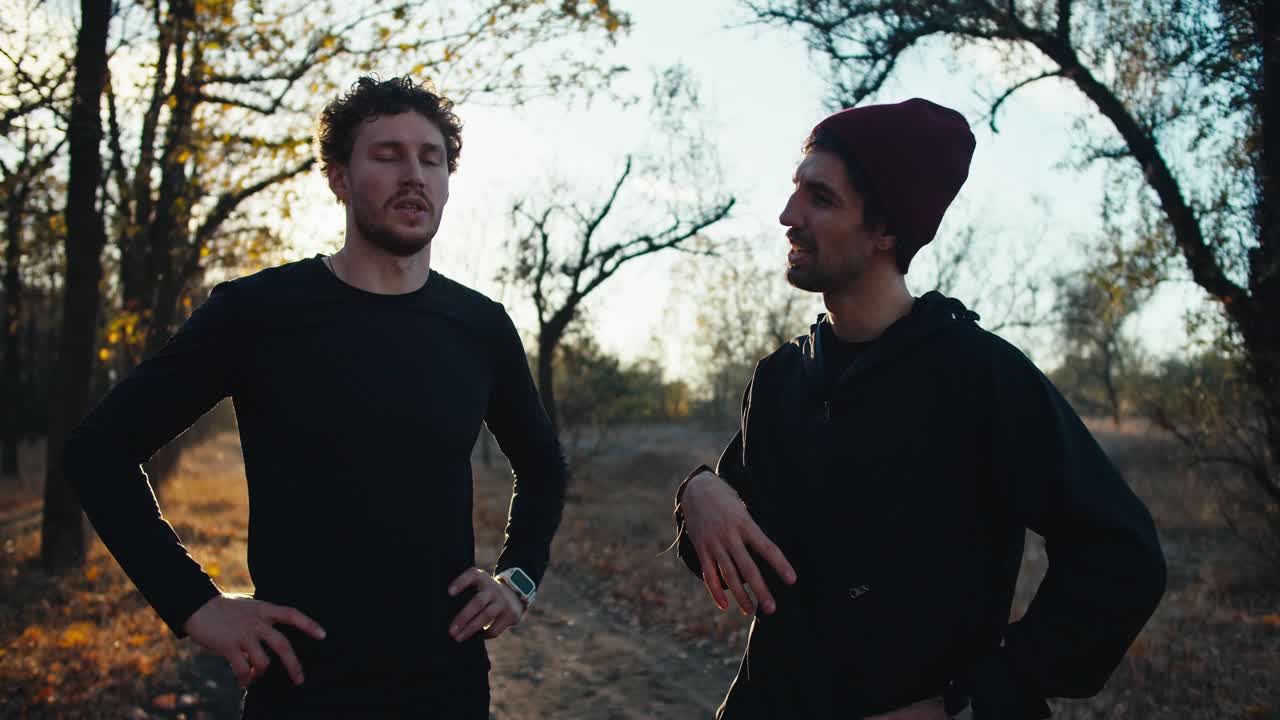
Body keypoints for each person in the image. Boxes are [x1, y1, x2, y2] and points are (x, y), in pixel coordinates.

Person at [66, 76, 567, 718]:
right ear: (338, 178)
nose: (413, 174)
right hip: (302, 686)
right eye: (386, 155)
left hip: (446, 684)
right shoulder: (257, 313)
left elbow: (544, 465)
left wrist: (518, 578)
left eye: (431, 157)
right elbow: (98, 451)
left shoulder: (480, 326)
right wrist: (196, 606)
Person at [670, 99, 1167, 719]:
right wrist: (700, 492)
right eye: (796, 190)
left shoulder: (977, 374)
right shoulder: (781, 380)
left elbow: (1121, 554)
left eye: (819, 199)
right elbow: (732, 557)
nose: (787, 216)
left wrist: (970, 701)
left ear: (886, 231)